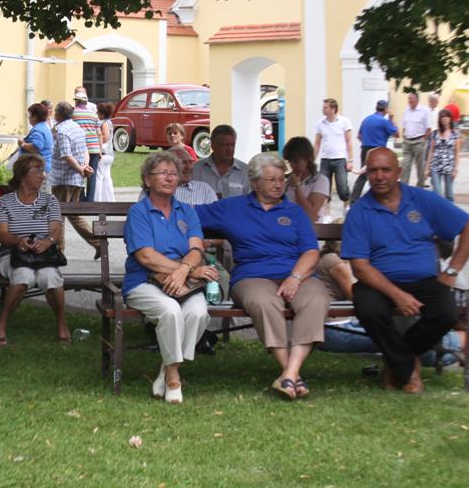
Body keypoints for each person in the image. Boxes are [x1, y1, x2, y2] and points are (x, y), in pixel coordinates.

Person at [340, 147, 469, 394]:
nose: (379, 176)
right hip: (378, 282)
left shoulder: (422, 199)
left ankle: (396, 362)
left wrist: (451, 272)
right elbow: (360, 268)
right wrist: (398, 296)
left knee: (446, 314)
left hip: (424, 280)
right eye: (373, 171)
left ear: (398, 172)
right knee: (369, 309)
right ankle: (408, 371)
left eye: (385, 170)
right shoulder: (360, 211)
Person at [197, 153, 330, 400]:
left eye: (282, 179)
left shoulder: (294, 212)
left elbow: (311, 252)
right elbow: (186, 214)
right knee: (263, 302)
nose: (279, 184)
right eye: (271, 180)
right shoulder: (232, 208)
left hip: (296, 275)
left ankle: (289, 374)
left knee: (317, 300)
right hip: (252, 276)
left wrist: (295, 277)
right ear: (255, 183)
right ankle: (292, 374)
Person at [315, 245, 469, 365]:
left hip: (343, 328)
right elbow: (356, 298)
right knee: (402, 328)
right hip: (337, 330)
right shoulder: (333, 261)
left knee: (408, 318)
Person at [123, 152, 215, 404]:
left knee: (198, 313)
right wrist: (186, 268)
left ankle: (165, 368)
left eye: (173, 173)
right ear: (147, 180)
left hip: (184, 281)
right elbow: (146, 256)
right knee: (170, 311)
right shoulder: (139, 212)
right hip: (144, 280)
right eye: (162, 173)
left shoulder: (186, 210)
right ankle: (174, 377)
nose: (169, 178)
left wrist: (185, 270)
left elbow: (197, 248)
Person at [0, 153, 68, 344]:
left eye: (43, 171)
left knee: (50, 277)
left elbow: (56, 228)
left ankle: (61, 322)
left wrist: (48, 241)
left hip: (43, 255)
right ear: (23, 175)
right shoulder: (4, 202)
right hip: (12, 254)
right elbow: (2, 234)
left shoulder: (49, 200)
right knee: (23, 276)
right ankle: (2, 323)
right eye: (38, 171)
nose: (43, 176)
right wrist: (19, 241)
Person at [49, 101, 96, 249]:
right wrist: (84, 167)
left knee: (58, 216)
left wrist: (80, 169)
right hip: (76, 180)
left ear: (58, 115)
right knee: (74, 215)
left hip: (64, 179)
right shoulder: (78, 129)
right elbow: (85, 152)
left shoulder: (62, 131)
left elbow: (67, 156)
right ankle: (98, 243)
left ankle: (58, 250)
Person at [350, 100, 399, 204]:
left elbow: (359, 136)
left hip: (365, 149)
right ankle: (378, 199)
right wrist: (391, 119)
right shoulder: (384, 121)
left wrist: (368, 141)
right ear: (385, 109)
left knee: (363, 176)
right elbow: (397, 134)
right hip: (378, 152)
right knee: (379, 175)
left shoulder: (366, 119)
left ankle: (353, 200)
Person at [313, 98, 353, 207]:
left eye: (325, 108)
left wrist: (350, 160)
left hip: (340, 159)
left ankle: (347, 208)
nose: (323, 110)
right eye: (323, 107)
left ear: (333, 109)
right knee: (324, 188)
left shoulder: (344, 122)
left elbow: (349, 142)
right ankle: (326, 215)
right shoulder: (320, 124)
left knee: (343, 188)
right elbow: (317, 143)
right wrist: (312, 160)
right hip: (325, 160)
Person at [283, 136, 330, 223]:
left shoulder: (321, 180)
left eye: (296, 161)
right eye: (290, 162)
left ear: (307, 158)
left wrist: (297, 187)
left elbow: (310, 212)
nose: (292, 166)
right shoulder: (287, 182)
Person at [192, 124, 248, 197]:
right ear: (213, 145)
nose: (230, 149)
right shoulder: (196, 169)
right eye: (225, 145)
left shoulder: (245, 171)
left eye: (232, 145)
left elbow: (251, 202)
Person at [71, 87, 101, 202]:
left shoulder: (73, 114)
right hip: (94, 148)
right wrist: (99, 150)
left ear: (76, 101)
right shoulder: (93, 114)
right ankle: (90, 200)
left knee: (80, 172)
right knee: (92, 175)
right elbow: (98, 133)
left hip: (80, 148)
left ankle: (81, 198)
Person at [425, 109, 462, 202]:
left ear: (450, 119)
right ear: (440, 119)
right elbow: (431, 151)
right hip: (436, 165)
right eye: (442, 117)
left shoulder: (455, 134)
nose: (445, 119)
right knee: (437, 193)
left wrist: (456, 169)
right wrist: (427, 167)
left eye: (447, 117)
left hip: (449, 166)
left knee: (449, 194)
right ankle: (438, 214)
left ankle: (450, 214)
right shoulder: (435, 133)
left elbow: (457, 153)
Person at [17, 102, 54, 186]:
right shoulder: (44, 127)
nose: (28, 117)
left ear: (34, 117)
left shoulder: (38, 130)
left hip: (38, 170)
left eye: (30, 114)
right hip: (43, 167)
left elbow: (36, 147)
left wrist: (22, 144)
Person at [400, 92, 430, 187]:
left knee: (420, 166)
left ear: (417, 99)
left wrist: (423, 140)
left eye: (411, 98)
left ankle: (420, 187)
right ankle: (404, 188)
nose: (409, 101)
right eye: (408, 99)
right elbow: (404, 127)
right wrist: (404, 137)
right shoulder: (406, 111)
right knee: (405, 165)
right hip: (407, 141)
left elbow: (428, 129)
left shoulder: (424, 111)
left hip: (419, 141)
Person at [93, 102, 116, 201]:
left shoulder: (103, 123)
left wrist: (96, 138)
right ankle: (110, 199)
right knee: (107, 178)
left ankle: (97, 200)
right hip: (110, 154)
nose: (96, 114)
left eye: (98, 112)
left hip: (103, 153)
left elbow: (105, 137)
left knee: (98, 177)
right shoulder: (110, 122)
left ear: (102, 114)